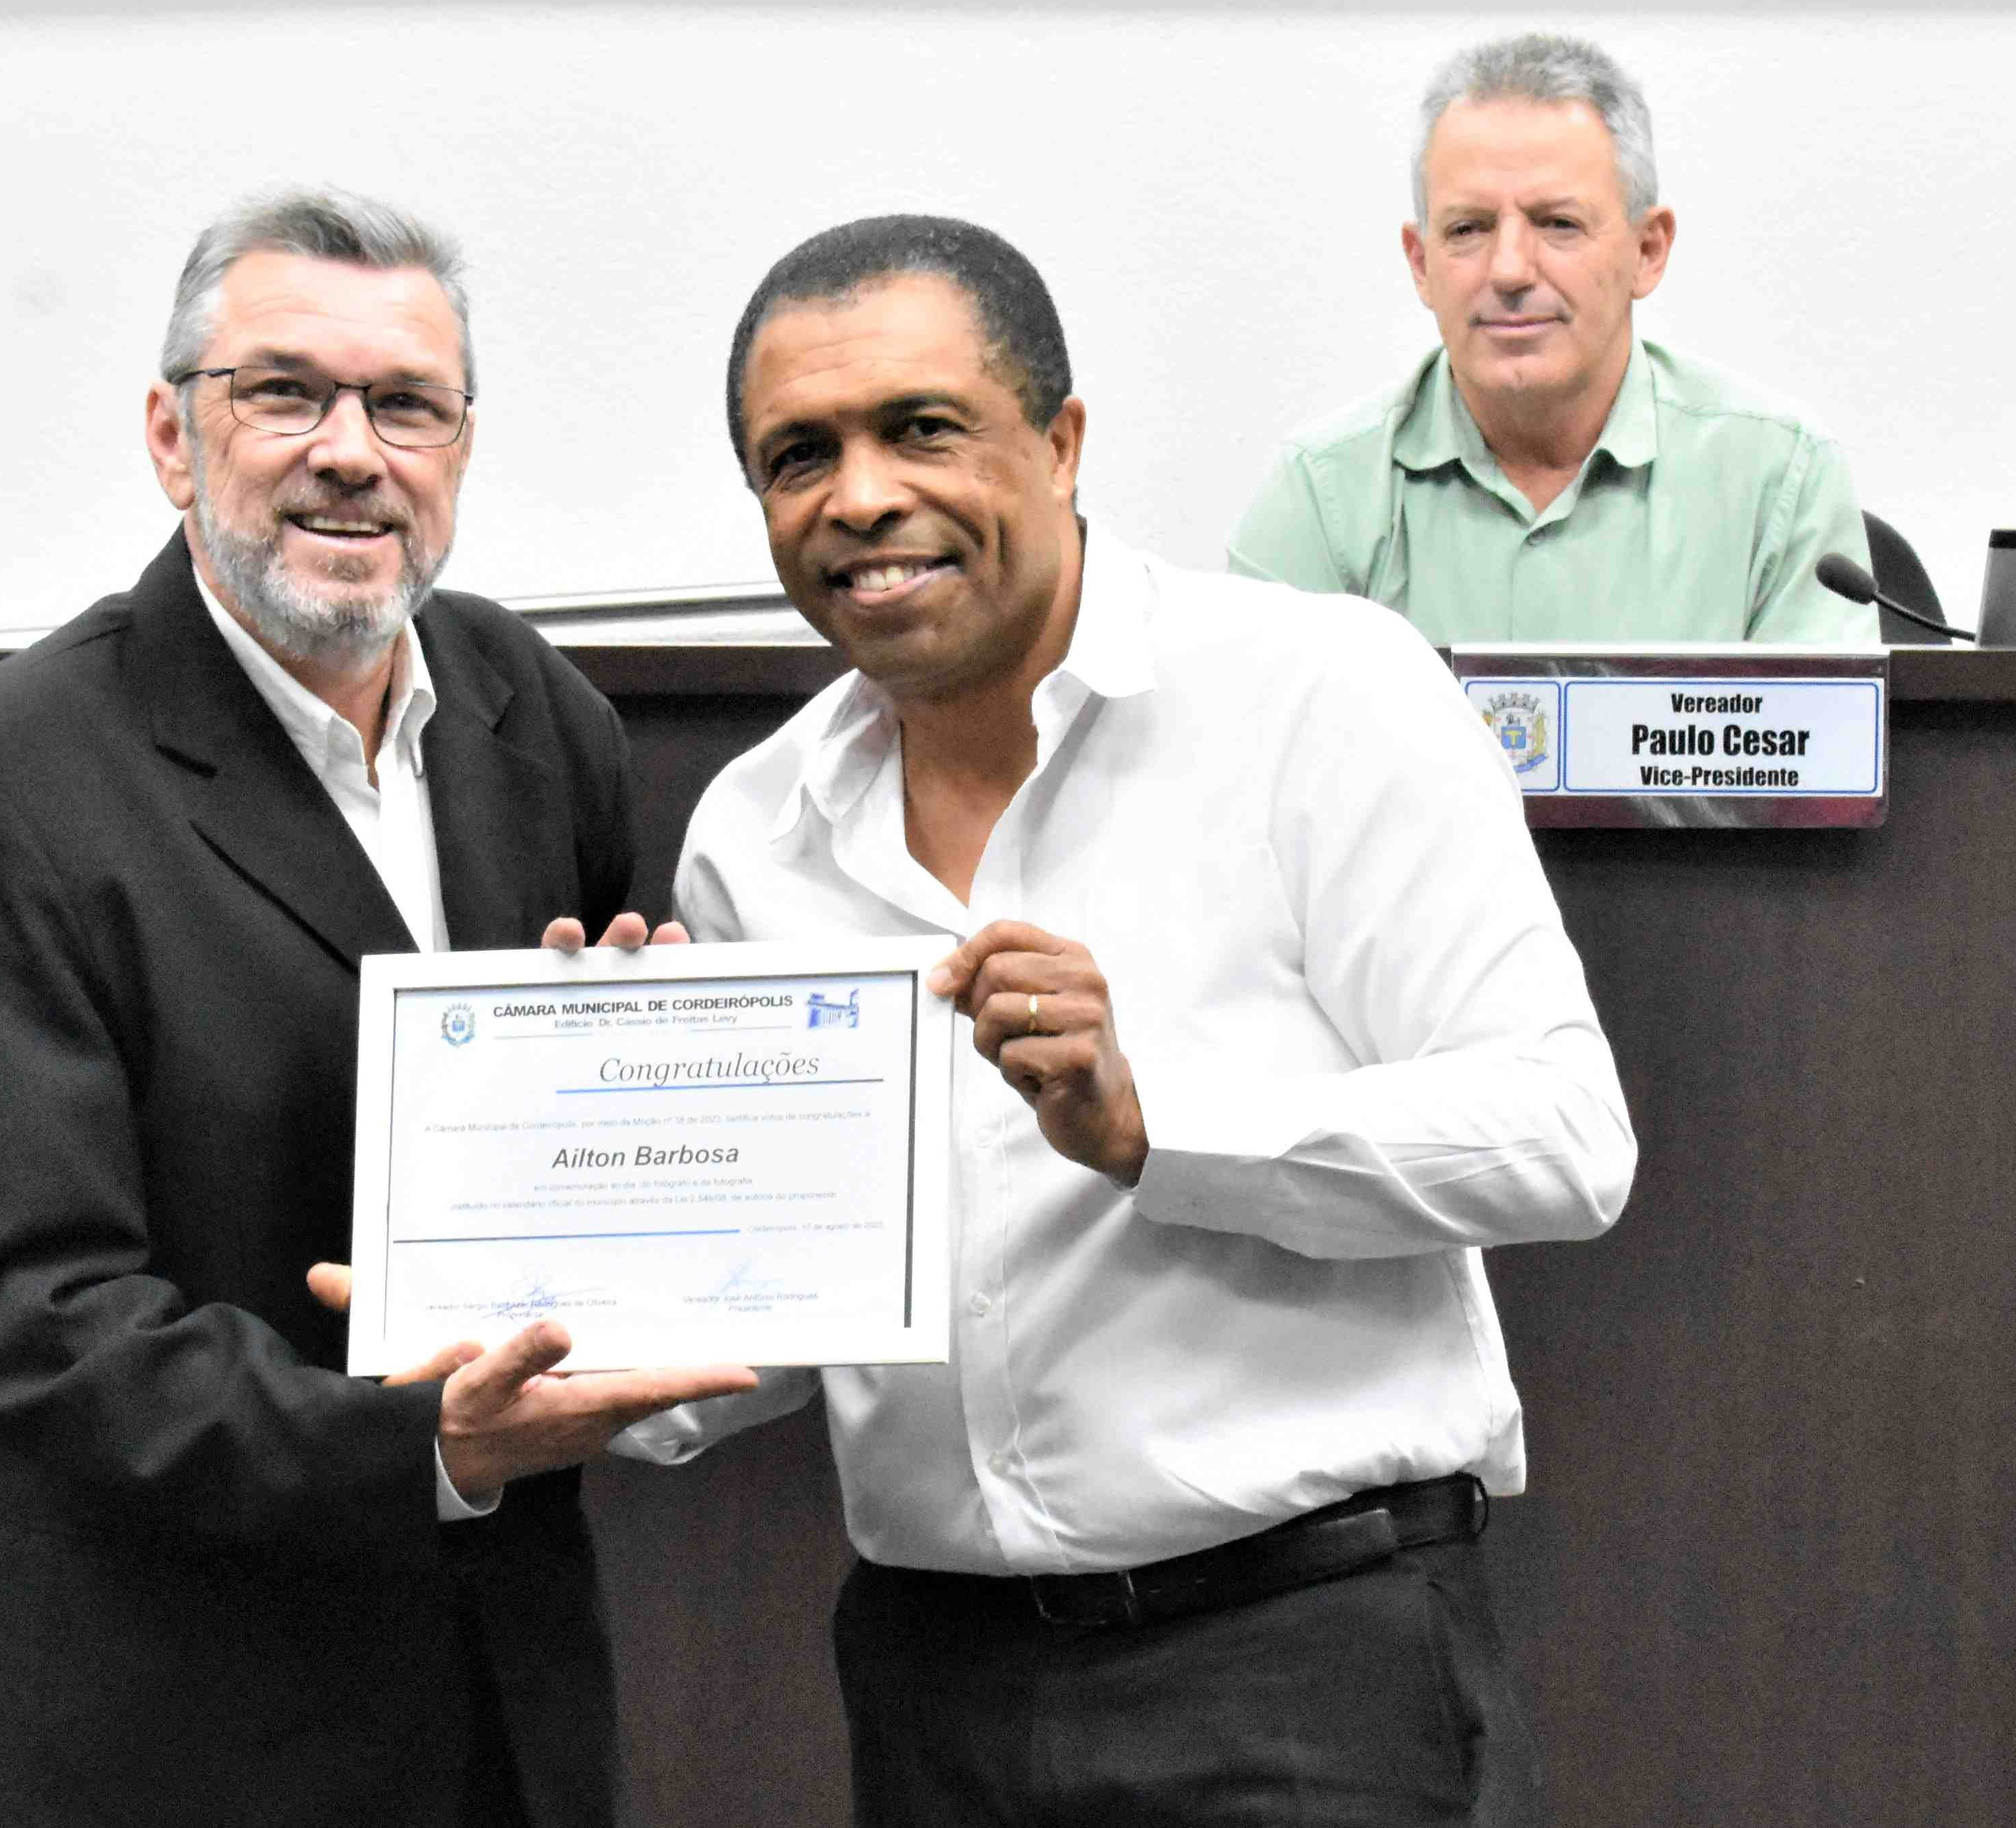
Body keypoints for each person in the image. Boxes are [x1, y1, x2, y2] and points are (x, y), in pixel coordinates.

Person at [620, 215, 1638, 1827]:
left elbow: (1560, 1139)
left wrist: (1154, 1125)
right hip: (930, 1680)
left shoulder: (1317, 694)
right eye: (796, 455)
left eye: (920, 428)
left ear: (1062, 439)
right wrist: (584, 1301)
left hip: (1295, 1666)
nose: (859, 494)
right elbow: (809, 1307)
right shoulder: (756, 833)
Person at [0, 189, 750, 1828]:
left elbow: (585, 1184)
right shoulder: (4, 782)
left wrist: (654, 1157)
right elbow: (30, 1323)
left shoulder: (530, 713)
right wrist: (420, 1444)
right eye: (284, 393)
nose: (351, 450)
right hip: (160, 1740)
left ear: (461, 450)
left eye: (404, 404)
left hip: (500, 1723)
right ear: (169, 435)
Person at [1227, 33, 1872, 645]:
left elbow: (1823, 756)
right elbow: (1253, 751)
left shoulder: (1777, 479)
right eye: (1468, 229)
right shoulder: (1323, 495)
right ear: (1421, 263)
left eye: (1558, 224)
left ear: (1648, 251)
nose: (1509, 270)